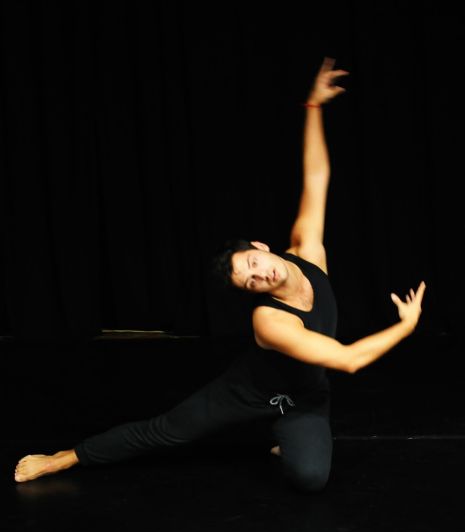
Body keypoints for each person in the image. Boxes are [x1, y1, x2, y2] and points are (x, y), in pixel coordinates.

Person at [14, 57, 426, 489]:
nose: (258, 276)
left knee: (310, 478)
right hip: (249, 392)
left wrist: (313, 107)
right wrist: (406, 325)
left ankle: (284, 440)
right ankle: (63, 458)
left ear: (261, 248)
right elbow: (349, 359)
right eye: (249, 282)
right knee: (167, 430)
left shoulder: (308, 251)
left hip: (306, 396)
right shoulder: (270, 321)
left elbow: (316, 177)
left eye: (252, 264)